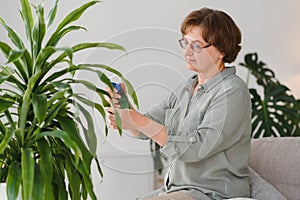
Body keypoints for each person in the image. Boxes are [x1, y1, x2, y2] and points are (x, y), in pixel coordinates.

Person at [106, 7, 252, 200]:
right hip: (177, 189)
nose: (187, 52)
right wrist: (127, 116)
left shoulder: (233, 92)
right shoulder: (187, 88)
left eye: (197, 46)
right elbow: (147, 125)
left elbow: (197, 148)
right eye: (185, 43)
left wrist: (138, 121)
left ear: (221, 51)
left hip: (211, 192)